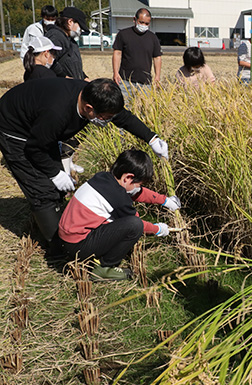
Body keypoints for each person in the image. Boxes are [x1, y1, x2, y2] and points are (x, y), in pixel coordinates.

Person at [0, 78, 170, 252]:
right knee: (40, 188)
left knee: (56, 186)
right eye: (106, 118)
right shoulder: (57, 113)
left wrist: (152, 139)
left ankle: (60, 223)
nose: (108, 120)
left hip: (41, 126)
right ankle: (59, 248)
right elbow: (35, 148)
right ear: (89, 109)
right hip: (15, 130)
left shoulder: (93, 95)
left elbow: (122, 117)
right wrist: (54, 174)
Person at [58, 149, 180, 280]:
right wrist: (158, 229)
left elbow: (137, 192)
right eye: (138, 184)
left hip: (66, 239)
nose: (138, 188)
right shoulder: (118, 198)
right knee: (135, 225)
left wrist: (165, 201)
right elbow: (137, 223)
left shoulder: (104, 178)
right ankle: (104, 267)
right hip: (78, 247)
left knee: (124, 218)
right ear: (128, 177)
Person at [112, 8, 163, 91]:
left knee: (145, 104)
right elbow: (117, 53)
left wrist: (157, 76)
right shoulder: (123, 34)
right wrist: (115, 73)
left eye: (147, 23)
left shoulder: (153, 38)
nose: (143, 25)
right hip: (125, 81)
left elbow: (157, 57)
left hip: (145, 83)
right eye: (141, 22)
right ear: (134, 19)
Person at [45, 6, 89, 80]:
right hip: (62, 86)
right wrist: (64, 77)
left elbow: (72, 65)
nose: (80, 30)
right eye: (80, 26)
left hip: (73, 86)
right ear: (70, 22)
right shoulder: (56, 36)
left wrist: (84, 77)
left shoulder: (70, 40)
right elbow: (49, 60)